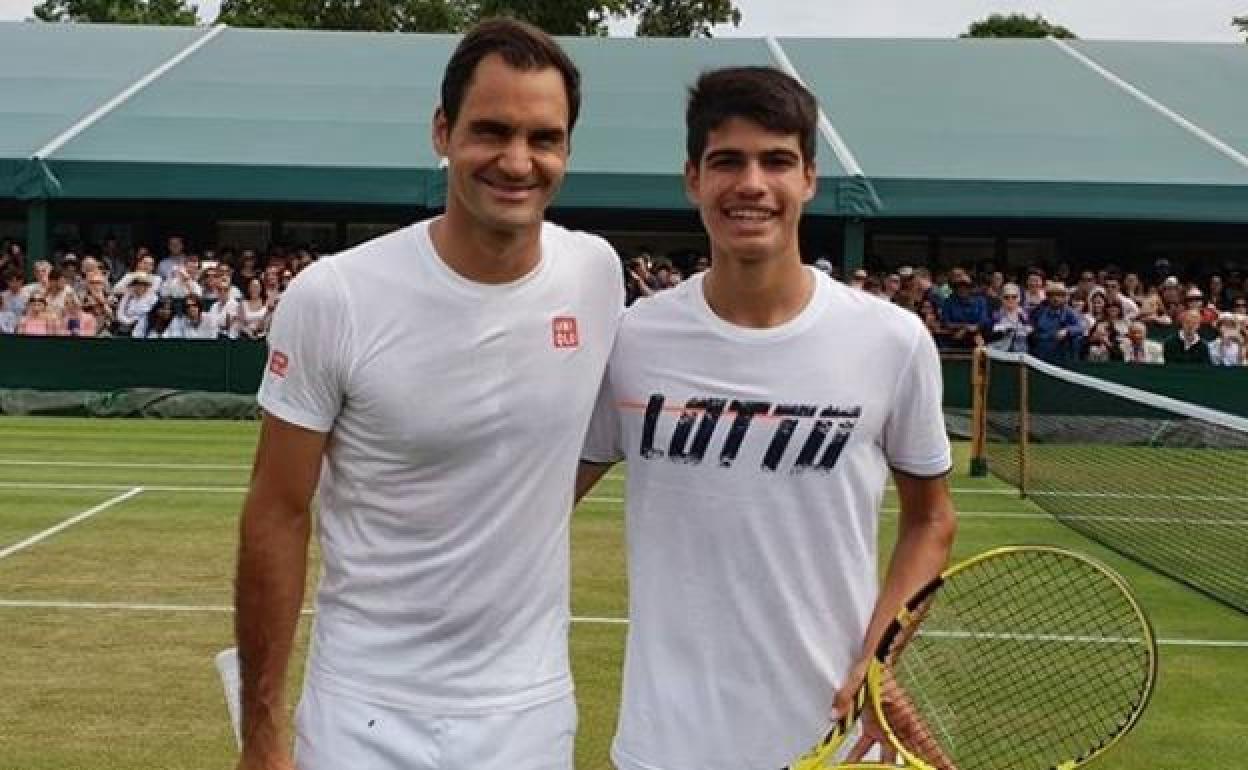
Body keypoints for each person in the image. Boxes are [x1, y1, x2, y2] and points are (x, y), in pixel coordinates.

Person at [233, 19, 623, 770]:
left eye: (544, 137)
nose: (517, 161)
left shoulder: (596, 274)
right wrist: (262, 732)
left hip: (530, 710)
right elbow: (276, 513)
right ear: (442, 132)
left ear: (568, 151)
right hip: (361, 709)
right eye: (491, 131)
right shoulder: (334, 296)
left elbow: (610, 428)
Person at [575, 66, 956, 770]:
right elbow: (535, 497)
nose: (751, 184)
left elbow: (931, 520)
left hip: (836, 743)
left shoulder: (891, 340)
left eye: (776, 160)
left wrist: (880, 658)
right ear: (693, 178)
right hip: (666, 746)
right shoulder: (632, 338)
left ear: (809, 177)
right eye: (727, 161)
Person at [1028, 281, 1083, 363]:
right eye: (1052, 295)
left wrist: (1067, 330)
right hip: (1040, 353)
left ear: (1064, 297)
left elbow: (1080, 328)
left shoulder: (1069, 312)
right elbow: (1031, 325)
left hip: (1060, 354)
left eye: (1059, 295)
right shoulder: (1040, 311)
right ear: (1048, 297)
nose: (1056, 298)